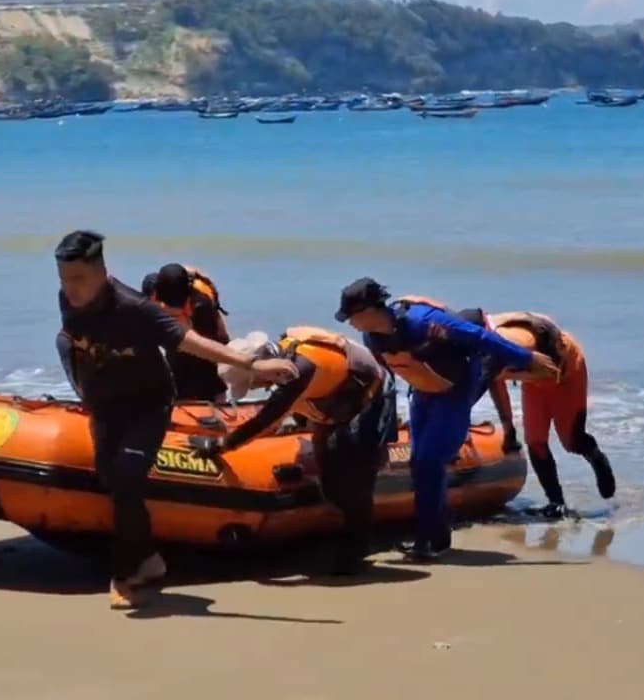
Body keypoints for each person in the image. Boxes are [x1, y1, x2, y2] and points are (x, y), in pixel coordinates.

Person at [54, 231, 298, 610]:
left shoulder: (134, 308)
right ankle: (150, 557)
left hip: (147, 405)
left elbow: (188, 341)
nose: (71, 288)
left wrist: (252, 364)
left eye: (79, 279)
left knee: (128, 475)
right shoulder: (66, 301)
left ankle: (126, 573)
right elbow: (74, 344)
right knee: (111, 478)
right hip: (104, 405)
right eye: (64, 279)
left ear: (101, 271)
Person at [333, 278, 559, 560]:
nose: (350, 324)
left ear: (368, 311)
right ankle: (434, 536)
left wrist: (527, 358)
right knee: (418, 462)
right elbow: (386, 377)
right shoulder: (373, 338)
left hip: (456, 389)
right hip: (424, 391)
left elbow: (481, 338)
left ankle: (430, 541)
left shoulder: (422, 321)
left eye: (352, 316)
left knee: (430, 460)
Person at [194, 327, 396, 575]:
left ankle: (356, 550)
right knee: (325, 462)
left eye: (256, 382)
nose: (260, 386)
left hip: (369, 398)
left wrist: (221, 445)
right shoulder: (286, 360)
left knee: (344, 478)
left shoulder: (301, 370)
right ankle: (338, 528)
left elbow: (267, 420)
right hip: (335, 395)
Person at [458, 308, 616, 519]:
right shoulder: (483, 347)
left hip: (566, 372)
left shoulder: (507, 346)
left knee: (572, 441)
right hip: (534, 379)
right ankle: (555, 503)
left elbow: (493, 376)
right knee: (535, 441)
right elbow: (496, 382)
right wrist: (508, 428)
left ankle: (597, 459)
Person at [141, 264, 230, 402]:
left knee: (197, 365)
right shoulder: (164, 284)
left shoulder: (200, 307)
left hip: (205, 357)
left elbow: (218, 343)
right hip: (179, 362)